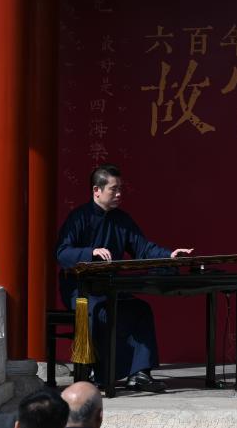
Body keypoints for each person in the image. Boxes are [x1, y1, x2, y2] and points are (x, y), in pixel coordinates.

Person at [56, 164, 193, 393]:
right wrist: (90, 252)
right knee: (97, 312)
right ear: (96, 190)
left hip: (111, 287)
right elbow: (62, 253)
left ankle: (139, 374)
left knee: (140, 310)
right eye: (114, 189)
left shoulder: (122, 220)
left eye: (121, 188)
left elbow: (143, 248)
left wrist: (170, 255)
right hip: (82, 290)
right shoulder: (79, 217)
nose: (119, 193)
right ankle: (92, 372)